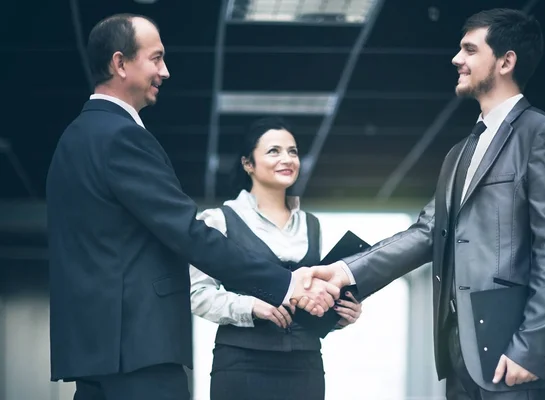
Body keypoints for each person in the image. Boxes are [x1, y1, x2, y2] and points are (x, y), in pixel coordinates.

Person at [46, 14, 339, 400]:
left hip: (96, 350)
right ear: (120, 63)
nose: (164, 71)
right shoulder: (122, 137)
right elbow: (187, 231)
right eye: (156, 58)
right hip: (137, 350)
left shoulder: (74, 138)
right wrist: (283, 284)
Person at [309, 8, 545, 400]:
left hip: (512, 350)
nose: (457, 59)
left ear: (506, 61)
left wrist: (533, 348)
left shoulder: (543, 135)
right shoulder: (459, 153)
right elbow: (425, 234)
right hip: (459, 351)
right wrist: (345, 271)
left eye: (470, 50)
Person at [189, 117, 363, 400]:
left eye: (292, 151)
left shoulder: (311, 224)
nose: (287, 159)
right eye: (274, 151)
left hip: (305, 364)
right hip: (241, 363)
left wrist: (340, 314)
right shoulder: (219, 221)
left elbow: (312, 297)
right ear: (248, 163)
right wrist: (251, 306)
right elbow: (196, 294)